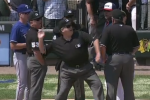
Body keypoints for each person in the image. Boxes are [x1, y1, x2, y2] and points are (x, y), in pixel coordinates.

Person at [38, 18, 104, 100]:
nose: (71, 27)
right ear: (62, 30)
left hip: (85, 68)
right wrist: (40, 39)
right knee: (62, 92)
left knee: (97, 85)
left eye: (71, 25)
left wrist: (98, 54)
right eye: (68, 26)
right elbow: (43, 51)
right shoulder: (56, 43)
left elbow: (95, 39)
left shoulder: (79, 34)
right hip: (68, 71)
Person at [100, 9, 139, 100]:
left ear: (113, 19)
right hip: (128, 59)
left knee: (111, 88)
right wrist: (130, 54)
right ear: (122, 19)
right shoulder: (130, 29)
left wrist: (103, 58)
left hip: (114, 59)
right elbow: (137, 46)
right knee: (129, 88)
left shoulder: (109, 28)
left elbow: (102, 46)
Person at [54, 9, 86, 100]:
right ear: (64, 18)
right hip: (65, 62)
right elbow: (56, 31)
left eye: (71, 17)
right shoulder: (59, 29)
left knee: (79, 89)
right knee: (62, 89)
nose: (70, 19)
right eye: (68, 17)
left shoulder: (79, 28)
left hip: (78, 62)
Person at [10, 4, 32, 100]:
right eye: (25, 13)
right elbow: (12, 45)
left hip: (28, 56)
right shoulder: (17, 27)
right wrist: (26, 45)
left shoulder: (28, 25)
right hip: (20, 56)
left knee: (29, 84)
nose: (28, 14)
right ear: (20, 14)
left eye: (28, 13)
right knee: (22, 83)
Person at [26, 11, 47, 100]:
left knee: (34, 87)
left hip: (32, 60)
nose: (40, 21)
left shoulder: (33, 32)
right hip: (36, 61)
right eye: (37, 20)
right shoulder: (34, 34)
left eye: (40, 19)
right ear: (31, 22)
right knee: (35, 88)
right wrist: (43, 63)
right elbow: (36, 52)